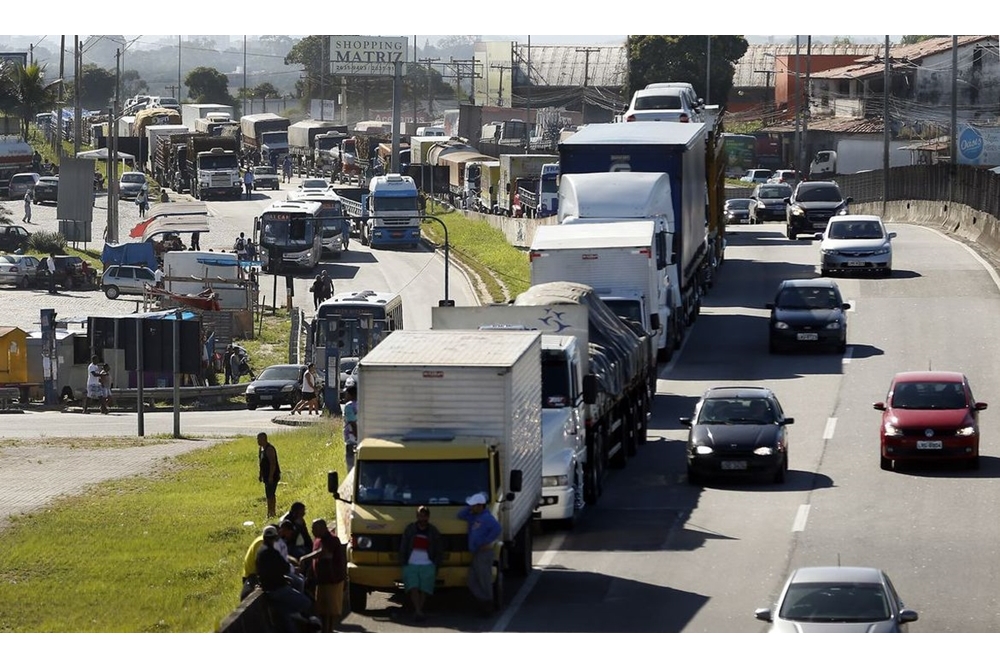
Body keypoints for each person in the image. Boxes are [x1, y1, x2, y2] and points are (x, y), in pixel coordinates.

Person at [255, 525, 313, 631]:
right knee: (306, 603)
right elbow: (285, 567)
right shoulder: (273, 552)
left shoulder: (260, 552)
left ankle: (289, 615)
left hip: (268, 589)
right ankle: (294, 614)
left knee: (285, 618)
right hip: (278, 588)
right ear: (276, 537)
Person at [458, 492, 502, 616]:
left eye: (473, 505)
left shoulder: (487, 518)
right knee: (472, 581)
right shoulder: (474, 516)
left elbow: (497, 529)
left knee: (484, 580)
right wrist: (469, 508)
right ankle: (485, 601)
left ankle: (488, 605)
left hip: (484, 553)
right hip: (476, 553)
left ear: (480, 506)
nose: (471, 507)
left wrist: (487, 542)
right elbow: (460, 515)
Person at [400, 506, 442, 622]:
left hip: (427, 564)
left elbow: (438, 549)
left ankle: (419, 610)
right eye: (419, 516)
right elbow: (404, 545)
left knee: (424, 589)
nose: (421, 518)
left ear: (428, 517)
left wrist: (436, 564)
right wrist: (403, 561)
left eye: (424, 516)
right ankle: (418, 610)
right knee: (413, 587)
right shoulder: (410, 529)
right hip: (411, 563)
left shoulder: (433, 531)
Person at [303, 518, 346, 633]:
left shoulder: (332, 539)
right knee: (322, 610)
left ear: (322, 528)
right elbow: (316, 561)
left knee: (330, 611)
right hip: (321, 580)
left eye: (314, 528)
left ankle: (329, 630)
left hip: (332, 580)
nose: (312, 531)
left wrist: (304, 558)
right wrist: (310, 573)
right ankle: (325, 630)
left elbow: (324, 553)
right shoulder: (318, 540)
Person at [258, 432, 281, 518]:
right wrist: (260, 474)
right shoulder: (261, 449)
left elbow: (273, 463)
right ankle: (269, 512)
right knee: (268, 494)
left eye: (259, 439)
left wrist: (271, 476)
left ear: (264, 439)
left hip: (272, 475)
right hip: (266, 475)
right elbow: (260, 462)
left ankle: (272, 512)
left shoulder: (269, 449)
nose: (258, 441)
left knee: (271, 494)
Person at [342, 385, 358, 462]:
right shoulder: (361, 404)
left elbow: (352, 422)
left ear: (351, 395)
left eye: (346, 394)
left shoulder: (349, 406)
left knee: (350, 463)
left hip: (351, 438)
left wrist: (356, 436)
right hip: (362, 437)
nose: (345, 396)